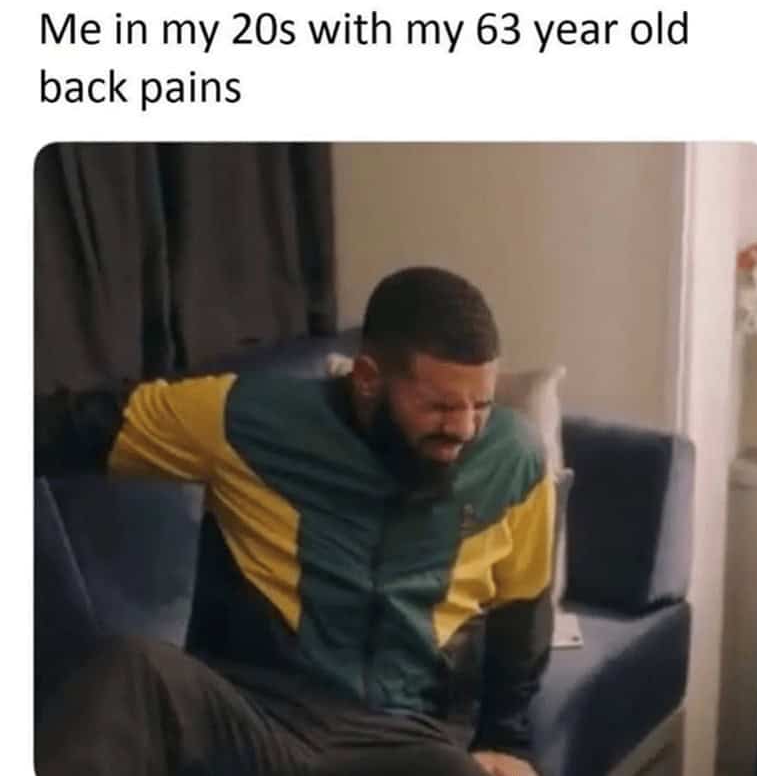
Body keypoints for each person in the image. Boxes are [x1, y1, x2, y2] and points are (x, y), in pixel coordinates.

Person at [35, 267, 555, 776]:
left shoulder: (514, 462)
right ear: (368, 379)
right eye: (439, 406)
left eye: (481, 406)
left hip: (407, 742)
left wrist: (506, 741)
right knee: (135, 669)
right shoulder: (243, 417)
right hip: (255, 716)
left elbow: (522, 612)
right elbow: (68, 427)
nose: (464, 429)